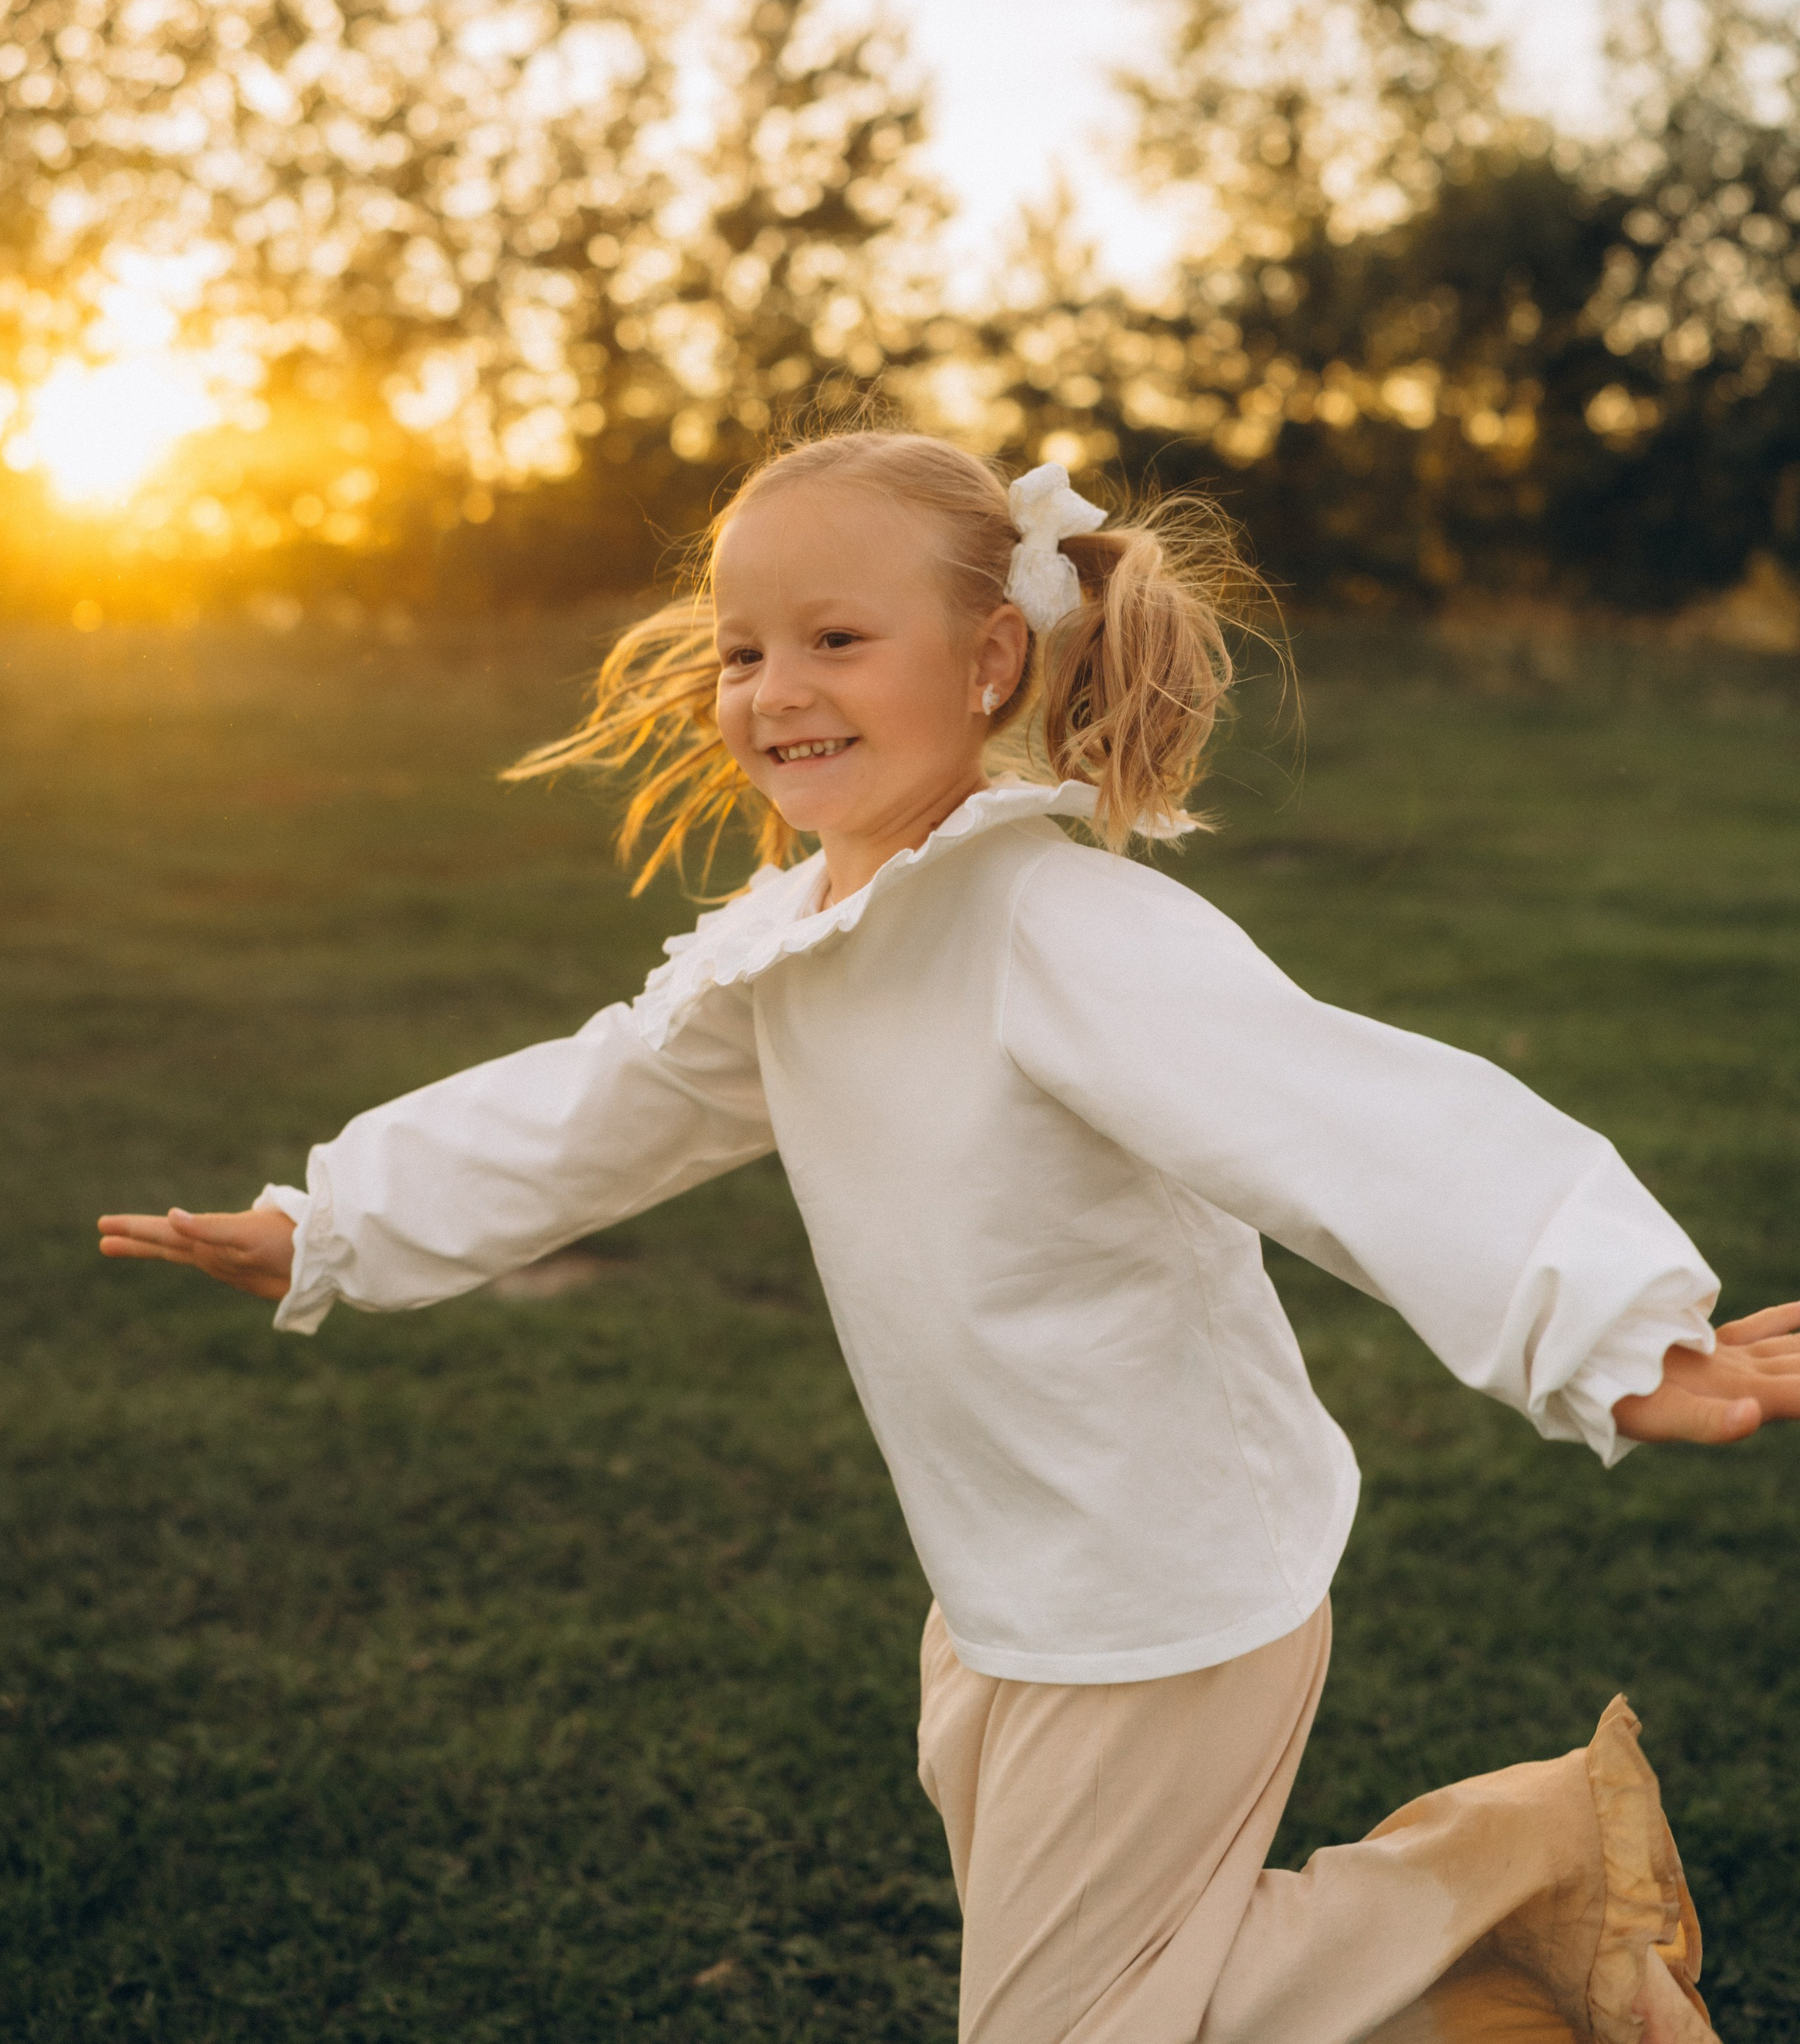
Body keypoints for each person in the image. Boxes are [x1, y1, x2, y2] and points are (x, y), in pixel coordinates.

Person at [102, 428, 1797, 2043]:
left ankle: (1530, 1873)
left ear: (989, 661)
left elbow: (1342, 1114)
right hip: (999, 1583)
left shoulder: (1052, 921)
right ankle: (1527, 1963)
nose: (774, 689)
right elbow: (603, 1103)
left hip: (1157, 1586)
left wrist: (1603, 1329)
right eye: (742, 649)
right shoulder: (799, 941)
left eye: (834, 638)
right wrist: (327, 1226)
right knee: (1148, 1994)